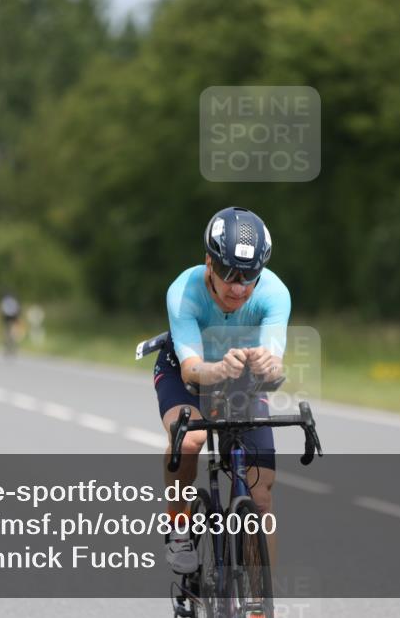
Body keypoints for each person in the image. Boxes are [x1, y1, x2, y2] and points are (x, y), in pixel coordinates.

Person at [154, 207, 289, 574]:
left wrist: (267, 364)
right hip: (186, 376)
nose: (238, 287)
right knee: (189, 441)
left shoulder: (274, 293)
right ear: (208, 263)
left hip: (240, 381)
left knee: (260, 499)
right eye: (229, 273)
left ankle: (261, 607)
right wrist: (217, 369)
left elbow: (276, 363)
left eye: (249, 276)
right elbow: (191, 367)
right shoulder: (184, 291)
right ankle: (178, 524)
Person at [0, 290, 22, 355]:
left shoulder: (5, 300)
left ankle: (7, 346)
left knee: (6, 332)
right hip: (14, 317)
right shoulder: (14, 300)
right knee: (14, 332)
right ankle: (14, 344)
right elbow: (18, 309)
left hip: (6, 318)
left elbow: (2, 310)